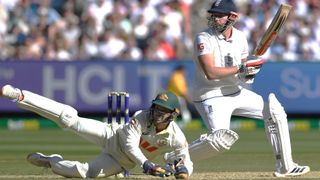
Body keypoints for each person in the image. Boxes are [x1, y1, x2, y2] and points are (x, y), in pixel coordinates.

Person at [178, 0, 310, 177]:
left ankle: (285, 166)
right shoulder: (203, 38)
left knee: (275, 111)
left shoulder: (240, 37)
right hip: (210, 95)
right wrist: (241, 68)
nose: (214, 19)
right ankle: (178, 157)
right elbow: (210, 72)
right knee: (221, 140)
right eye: (213, 15)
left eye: (219, 15)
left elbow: (244, 77)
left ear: (232, 17)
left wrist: (250, 70)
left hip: (235, 92)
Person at [0, 84, 192, 179]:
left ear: (173, 114)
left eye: (163, 111)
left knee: (85, 172)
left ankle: (50, 161)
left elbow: (183, 157)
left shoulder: (176, 137)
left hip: (119, 162)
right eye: (156, 108)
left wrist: (182, 170)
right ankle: (20, 96)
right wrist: (147, 165)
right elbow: (129, 145)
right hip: (112, 135)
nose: (157, 113)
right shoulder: (141, 116)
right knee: (70, 120)